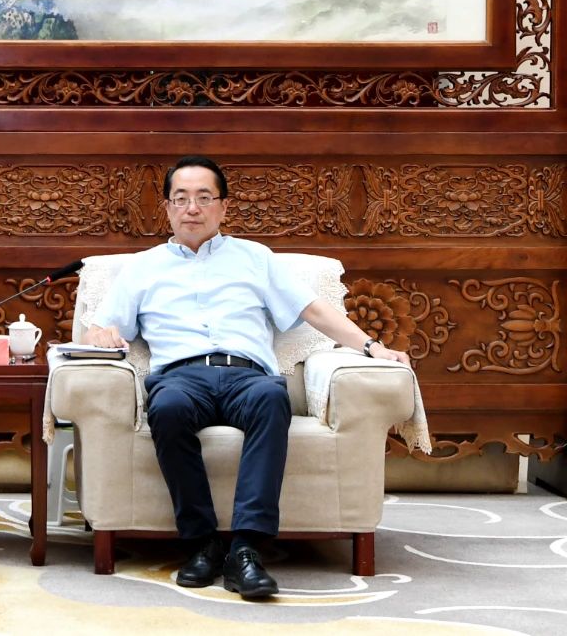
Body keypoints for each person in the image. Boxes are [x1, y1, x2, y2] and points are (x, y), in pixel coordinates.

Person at [85, 155, 409, 599]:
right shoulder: (142, 267)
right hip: (180, 377)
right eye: (181, 199)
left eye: (204, 198)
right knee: (168, 408)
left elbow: (313, 311)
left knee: (271, 400)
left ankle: (246, 549)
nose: (192, 208)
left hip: (247, 376)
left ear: (223, 206)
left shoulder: (255, 258)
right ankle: (201, 542)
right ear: (167, 208)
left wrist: (371, 347)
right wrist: (100, 334)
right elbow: (101, 328)